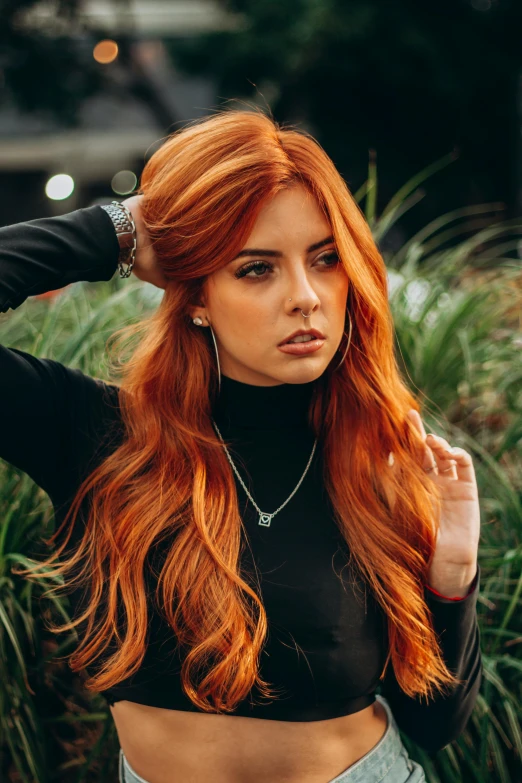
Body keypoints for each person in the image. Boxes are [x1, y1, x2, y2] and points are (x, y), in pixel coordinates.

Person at [0, 109, 482, 783]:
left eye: (325, 259)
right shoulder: (97, 435)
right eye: (257, 268)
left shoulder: (382, 461)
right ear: (195, 294)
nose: (306, 297)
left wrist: (452, 577)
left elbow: (436, 725)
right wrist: (121, 226)